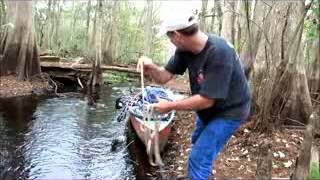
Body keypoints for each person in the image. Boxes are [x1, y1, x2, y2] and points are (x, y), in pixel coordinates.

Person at [137, 14, 251, 180]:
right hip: (208, 108)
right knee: (197, 140)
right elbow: (163, 77)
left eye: (169, 37)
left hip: (230, 112)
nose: (170, 41)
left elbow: (206, 100)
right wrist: (151, 67)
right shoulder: (184, 50)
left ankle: (199, 172)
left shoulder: (219, 53)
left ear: (177, 35)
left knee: (198, 159)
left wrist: (169, 106)